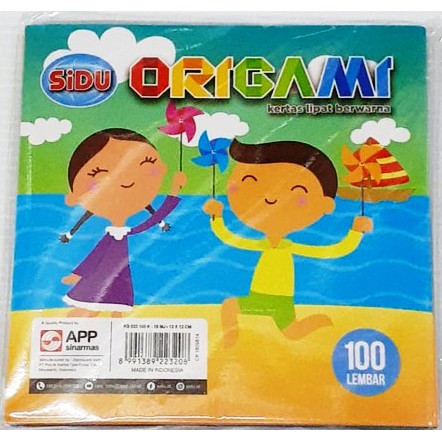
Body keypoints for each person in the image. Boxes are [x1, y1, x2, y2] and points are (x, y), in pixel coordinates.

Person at [203, 139, 372, 346]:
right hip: (257, 298)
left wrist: (356, 231)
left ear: (326, 205)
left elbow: (333, 250)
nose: (271, 197)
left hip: (282, 302)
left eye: (297, 192)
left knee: (292, 332)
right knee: (230, 307)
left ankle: (320, 322)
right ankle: (230, 339)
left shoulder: (291, 248)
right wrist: (217, 216)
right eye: (250, 183)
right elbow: (230, 238)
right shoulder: (263, 245)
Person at [61, 128, 186, 317]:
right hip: (113, 261)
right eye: (100, 175)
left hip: (123, 261)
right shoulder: (114, 234)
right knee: (106, 276)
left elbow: (154, 218)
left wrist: (175, 189)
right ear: (73, 197)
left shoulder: (130, 230)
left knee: (117, 279)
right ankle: (97, 311)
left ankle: (113, 311)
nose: (126, 180)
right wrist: (77, 271)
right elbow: (96, 255)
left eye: (145, 165)